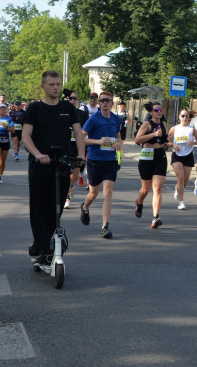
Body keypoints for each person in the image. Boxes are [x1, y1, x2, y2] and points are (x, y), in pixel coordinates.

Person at [21, 71, 87, 263]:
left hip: (62, 164)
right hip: (40, 164)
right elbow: (26, 136)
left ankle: (45, 245)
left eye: (58, 84)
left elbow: (78, 133)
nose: (56, 87)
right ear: (43, 87)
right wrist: (38, 154)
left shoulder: (68, 107)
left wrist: (80, 155)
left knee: (55, 208)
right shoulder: (35, 108)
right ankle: (41, 246)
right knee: (39, 207)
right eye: (51, 84)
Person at [79, 91, 124, 239]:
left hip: (110, 160)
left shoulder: (116, 119)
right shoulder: (93, 119)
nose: (105, 103)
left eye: (108, 101)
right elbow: (81, 137)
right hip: (94, 160)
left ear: (112, 103)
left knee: (108, 192)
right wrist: (98, 142)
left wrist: (118, 144)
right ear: (99, 103)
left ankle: (105, 226)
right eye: (102, 100)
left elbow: (118, 136)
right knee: (93, 192)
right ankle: (85, 207)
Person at [134, 102, 169, 228]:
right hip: (147, 155)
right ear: (151, 112)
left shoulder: (164, 124)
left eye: (161, 109)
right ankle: (140, 203)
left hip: (160, 155)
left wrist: (170, 142)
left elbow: (165, 139)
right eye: (156, 110)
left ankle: (156, 217)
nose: (159, 112)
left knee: (157, 188)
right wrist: (153, 134)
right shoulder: (147, 124)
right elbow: (137, 140)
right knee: (145, 189)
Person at [168, 109, 197, 210]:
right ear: (179, 117)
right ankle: (181, 202)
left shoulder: (192, 129)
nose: (185, 118)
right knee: (180, 177)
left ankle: (177, 189)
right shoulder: (174, 128)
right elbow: (166, 140)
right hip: (177, 154)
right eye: (183, 116)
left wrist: (193, 143)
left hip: (188, 155)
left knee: (185, 181)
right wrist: (173, 145)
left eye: (186, 116)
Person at [61, 89, 85, 209]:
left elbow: (84, 132)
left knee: (74, 174)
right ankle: (66, 195)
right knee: (64, 173)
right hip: (64, 146)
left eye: (75, 99)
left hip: (76, 146)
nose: (73, 101)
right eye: (71, 98)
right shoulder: (61, 112)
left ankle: (69, 189)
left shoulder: (81, 114)